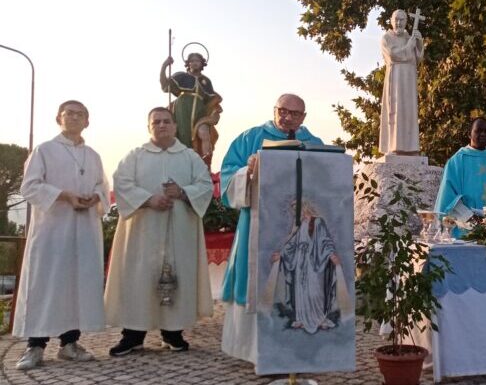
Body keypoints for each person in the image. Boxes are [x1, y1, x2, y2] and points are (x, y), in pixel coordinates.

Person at [218, 93, 323, 357]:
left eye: (295, 113)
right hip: (257, 225)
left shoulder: (313, 143)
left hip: (300, 228)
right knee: (258, 281)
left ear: (304, 117)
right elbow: (228, 175)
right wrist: (248, 171)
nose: (288, 117)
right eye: (283, 110)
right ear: (275, 110)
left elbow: (326, 179)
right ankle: (254, 351)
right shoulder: (250, 138)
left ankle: (298, 349)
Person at [104, 107, 213, 356]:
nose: (162, 125)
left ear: (175, 126)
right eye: (156, 122)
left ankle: (173, 333)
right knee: (138, 279)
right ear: (149, 127)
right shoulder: (135, 155)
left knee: (177, 278)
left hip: (180, 231)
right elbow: (121, 183)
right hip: (143, 233)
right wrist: (147, 199)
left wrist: (183, 192)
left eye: (167, 121)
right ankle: (132, 335)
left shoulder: (189, 156)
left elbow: (205, 184)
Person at [13, 100, 110, 370]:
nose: (75, 118)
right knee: (46, 284)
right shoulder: (44, 150)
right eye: (70, 113)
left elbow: (104, 187)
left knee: (76, 285)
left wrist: (96, 197)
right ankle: (35, 346)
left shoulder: (93, 155)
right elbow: (29, 187)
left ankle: (69, 344)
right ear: (59, 118)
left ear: (87, 121)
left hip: (84, 230)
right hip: (52, 231)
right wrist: (64, 195)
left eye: (81, 114)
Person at [434, 117, 486, 235]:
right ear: (469, 133)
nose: (483, 134)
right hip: (463, 225)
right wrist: (470, 217)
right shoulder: (457, 161)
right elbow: (449, 196)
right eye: (478, 130)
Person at [270, 201, 342, 334]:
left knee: (316, 290)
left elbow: (325, 240)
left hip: (315, 261)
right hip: (300, 262)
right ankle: (302, 318)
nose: (296, 213)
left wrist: (331, 254)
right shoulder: (301, 224)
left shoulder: (318, 222)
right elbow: (292, 243)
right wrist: (281, 254)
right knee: (301, 291)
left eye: (297, 209)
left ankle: (319, 318)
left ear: (304, 207)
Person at [160, 53, 222, 167]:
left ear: (202, 63)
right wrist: (164, 66)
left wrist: (214, 111)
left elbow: (211, 99)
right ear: (188, 64)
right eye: (192, 61)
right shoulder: (181, 76)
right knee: (183, 137)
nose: (194, 63)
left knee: (204, 132)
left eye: (197, 61)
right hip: (182, 109)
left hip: (200, 111)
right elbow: (165, 85)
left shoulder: (206, 81)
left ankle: (205, 163)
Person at [379, 9, 424, 155]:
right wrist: (409, 46)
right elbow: (393, 55)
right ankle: (394, 146)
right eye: (396, 20)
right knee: (396, 111)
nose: (399, 23)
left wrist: (419, 42)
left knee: (409, 111)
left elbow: (417, 58)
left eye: (402, 20)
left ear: (406, 22)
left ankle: (410, 148)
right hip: (396, 78)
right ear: (391, 21)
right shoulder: (386, 38)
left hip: (409, 79)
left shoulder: (409, 37)